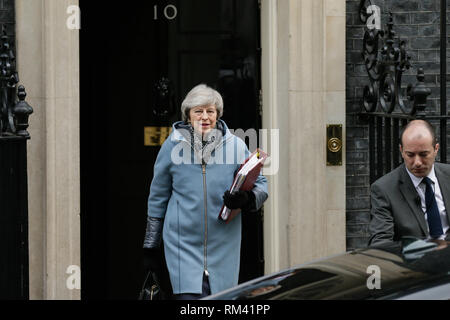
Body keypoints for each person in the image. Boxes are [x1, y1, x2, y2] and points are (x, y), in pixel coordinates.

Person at [142, 84, 268, 299]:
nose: (205, 117)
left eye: (210, 111)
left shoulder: (236, 146)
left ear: (218, 114)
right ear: (188, 115)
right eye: (198, 111)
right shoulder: (171, 147)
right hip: (182, 244)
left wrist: (246, 199)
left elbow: (261, 184)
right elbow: (158, 197)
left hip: (224, 244)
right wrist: (151, 245)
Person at [368, 119, 450, 246]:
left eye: (424, 154)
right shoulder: (384, 189)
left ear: (436, 149)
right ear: (401, 150)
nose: (417, 162)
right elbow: (380, 243)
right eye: (410, 155)